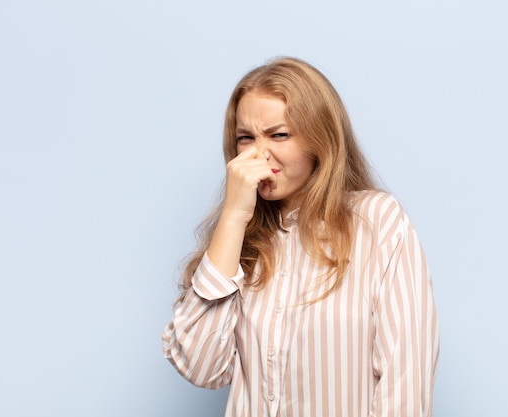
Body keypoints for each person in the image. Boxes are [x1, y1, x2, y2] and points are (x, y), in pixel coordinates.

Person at [162, 57, 439, 417]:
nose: (258, 154)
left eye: (279, 135)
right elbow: (200, 367)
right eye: (245, 138)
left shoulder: (377, 221)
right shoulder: (238, 242)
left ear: (319, 138)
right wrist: (233, 218)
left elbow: (406, 380)